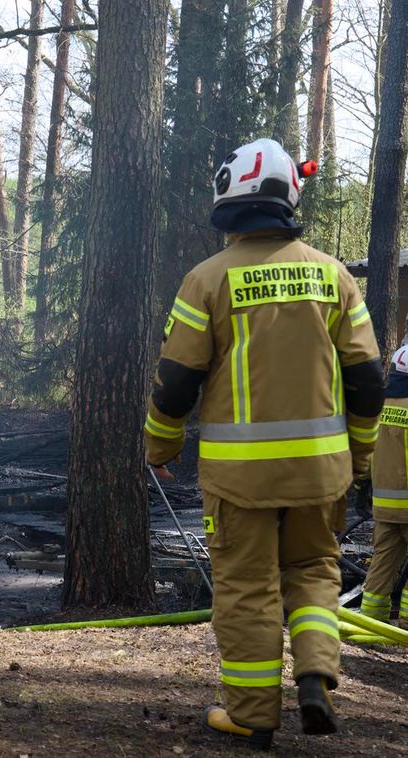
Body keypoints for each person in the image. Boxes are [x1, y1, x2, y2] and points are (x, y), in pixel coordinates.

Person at [144, 138, 383, 749]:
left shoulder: (207, 280)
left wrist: (160, 446)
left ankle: (252, 714)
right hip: (318, 474)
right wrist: (358, 458)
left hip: (239, 480)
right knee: (313, 571)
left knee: (248, 586)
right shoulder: (333, 277)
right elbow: (366, 378)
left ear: (229, 199)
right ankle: (316, 675)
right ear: (289, 196)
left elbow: (176, 381)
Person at [360, 343, 408, 628]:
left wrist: (361, 489)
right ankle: (404, 630)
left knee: (382, 563)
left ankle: (369, 625)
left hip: (385, 507)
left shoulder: (380, 407)